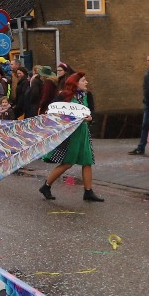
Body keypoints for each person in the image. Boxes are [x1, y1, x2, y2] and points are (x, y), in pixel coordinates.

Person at [38, 72, 103, 202]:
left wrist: (90, 118)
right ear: (75, 83)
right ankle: (46, 186)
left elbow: (92, 112)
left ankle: (88, 191)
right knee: (68, 162)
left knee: (87, 161)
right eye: (83, 80)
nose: (86, 82)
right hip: (70, 134)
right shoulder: (63, 95)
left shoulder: (88, 95)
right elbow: (52, 110)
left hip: (83, 131)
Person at [130, 53, 149, 155]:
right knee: (145, 125)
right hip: (147, 103)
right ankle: (141, 147)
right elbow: (145, 87)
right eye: (148, 60)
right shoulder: (147, 74)